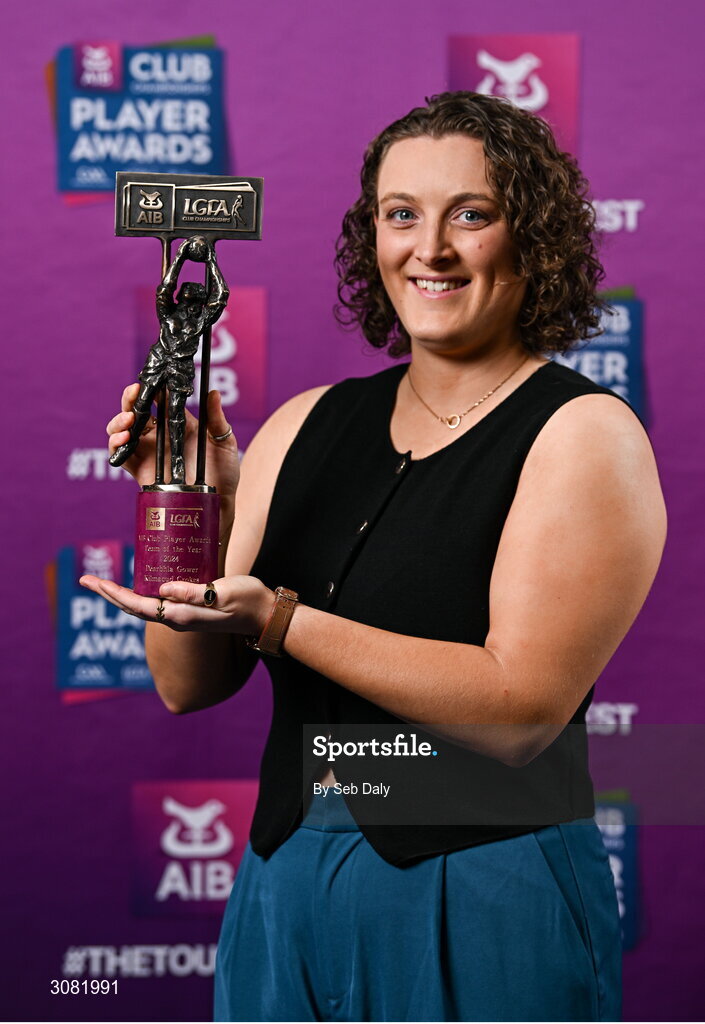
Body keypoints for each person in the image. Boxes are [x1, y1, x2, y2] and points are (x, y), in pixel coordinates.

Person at [81, 92, 666, 1022]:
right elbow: (187, 683)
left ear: (534, 239)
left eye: (469, 215)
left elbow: (518, 711)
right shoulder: (303, 424)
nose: (427, 249)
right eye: (401, 215)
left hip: (483, 880)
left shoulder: (581, 434)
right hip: (287, 877)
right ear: (372, 237)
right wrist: (181, 496)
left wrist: (281, 619)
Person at [109, 235, 229, 483]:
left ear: (198, 302)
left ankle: (177, 463)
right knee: (141, 404)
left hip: (181, 367)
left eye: (195, 298)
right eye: (186, 295)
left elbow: (221, 294)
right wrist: (180, 257)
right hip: (159, 359)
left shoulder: (201, 320)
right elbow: (165, 288)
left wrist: (211, 260)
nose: (189, 300)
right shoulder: (167, 312)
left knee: (176, 413)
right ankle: (130, 444)